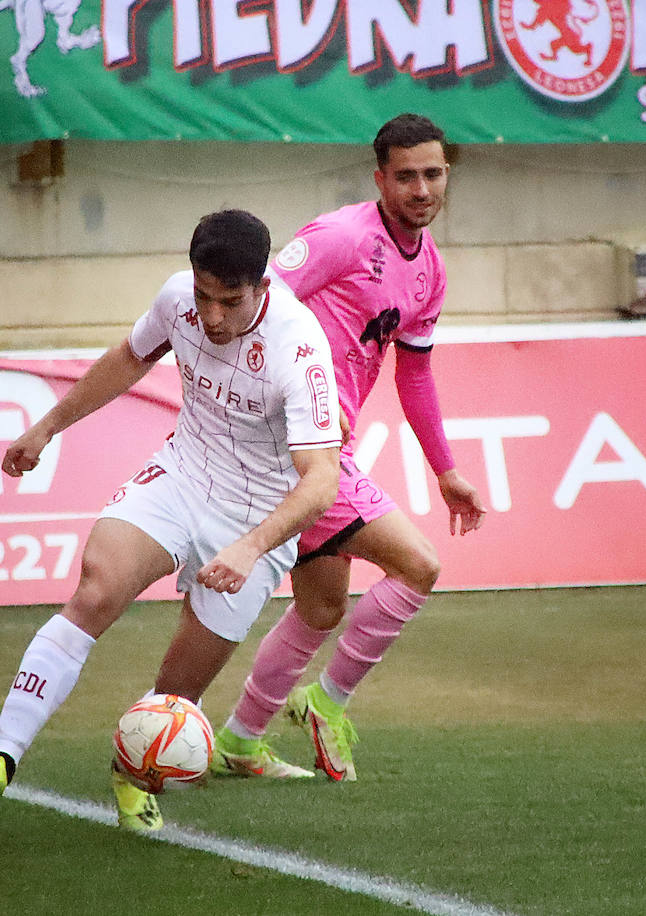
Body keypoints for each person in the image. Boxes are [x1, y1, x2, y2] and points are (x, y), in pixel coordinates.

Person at [0, 209, 341, 832]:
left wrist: (250, 546)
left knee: (174, 697)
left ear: (262, 288)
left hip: (258, 518)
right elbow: (128, 360)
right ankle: (0, 760)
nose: (212, 316)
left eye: (230, 302)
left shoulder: (299, 348)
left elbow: (322, 478)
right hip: (180, 477)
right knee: (96, 589)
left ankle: (128, 771)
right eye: (203, 296)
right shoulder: (176, 301)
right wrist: (48, 426)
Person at [209, 114, 487, 782]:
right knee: (418, 566)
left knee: (322, 607)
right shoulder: (339, 237)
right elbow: (256, 307)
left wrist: (445, 472)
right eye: (406, 176)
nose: (421, 189)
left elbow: (413, 373)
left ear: (447, 174)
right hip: (291, 447)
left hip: (333, 449)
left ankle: (241, 742)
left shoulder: (431, 274)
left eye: (433, 174)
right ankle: (326, 702)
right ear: (380, 178)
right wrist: (272, 398)